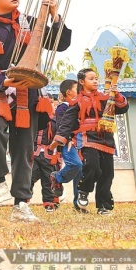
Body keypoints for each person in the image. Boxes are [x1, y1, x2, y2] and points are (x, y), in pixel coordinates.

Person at [0, 0, 71, 223]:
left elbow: (60, 44)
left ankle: (21, 205)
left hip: (29, 92)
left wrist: (54, 15)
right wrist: (4, 82)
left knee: (24, 149)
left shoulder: (31, 23)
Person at [50, 68, 128, 215]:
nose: (95, 81)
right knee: (92, 165)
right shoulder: (76, 101)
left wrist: (116, 94)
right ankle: (84, 190)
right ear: (82, 81)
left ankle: (104, 206)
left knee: (107, 173)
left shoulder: (105, 98)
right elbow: (67, 122)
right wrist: (59, 139)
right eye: (91, 79)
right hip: (87, 138)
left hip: (106, 138)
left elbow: (122, 109)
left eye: (96, 78)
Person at [48, 79, 84, 213]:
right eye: (77, 89)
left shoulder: (81, 104)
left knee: (81, 172)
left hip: (82, 141)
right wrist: (67, 139)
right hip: (68, 142)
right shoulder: (63, 107)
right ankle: (57, 177)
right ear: (68, 92)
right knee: (76, 164)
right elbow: (62, 126)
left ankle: (78, 204)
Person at [30, 96, 61, 212]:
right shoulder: (34, 118)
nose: (50, 105)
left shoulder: (57, 120)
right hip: (34, 152)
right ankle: (23, 199)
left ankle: (49, 203)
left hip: (50, 154)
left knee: (48, 179)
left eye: (52, 102)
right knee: (29, 176)